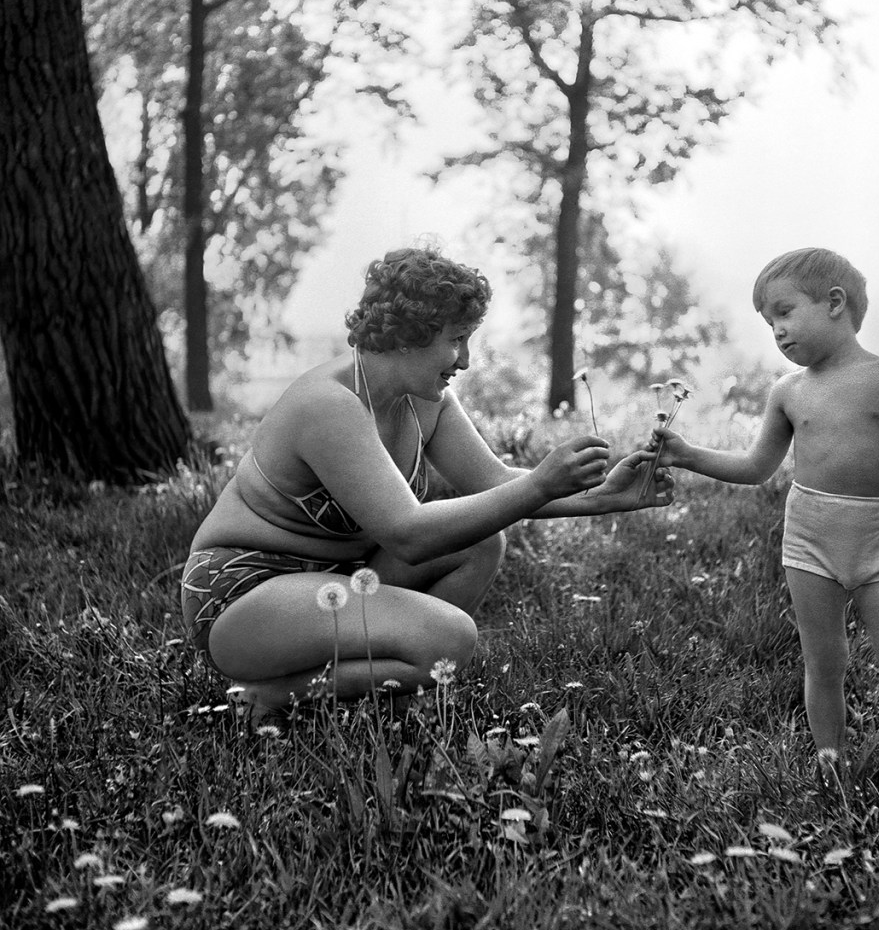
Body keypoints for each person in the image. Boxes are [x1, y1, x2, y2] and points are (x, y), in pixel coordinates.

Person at [182, 245, 671, 722]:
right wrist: (540, 484)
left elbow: (496, 484)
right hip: (246, 600)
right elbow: (408, 535)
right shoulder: (327, 406)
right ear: (408, 335)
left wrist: (605, 496)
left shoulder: (424, 402)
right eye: (456, 339)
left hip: (337, 583)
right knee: (450, 638)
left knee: (481, 542)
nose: (466, 360)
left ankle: (390, 689)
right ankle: (271, 693)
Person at [652, 247, 879, 791]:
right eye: (768, 322)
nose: (776, 330)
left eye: (785, 312)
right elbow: (756, 467)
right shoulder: (788, 392)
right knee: (824, 664)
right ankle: (831, 771)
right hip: (808, 545)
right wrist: (686, 454)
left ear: (835, 303)